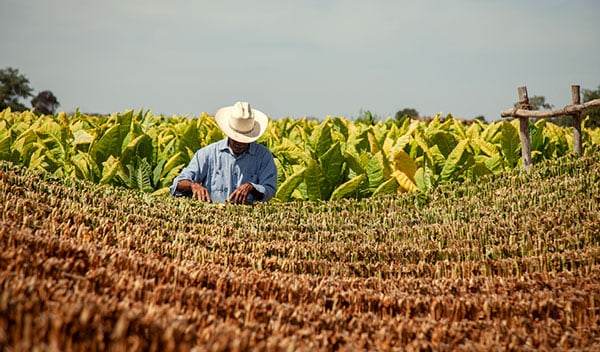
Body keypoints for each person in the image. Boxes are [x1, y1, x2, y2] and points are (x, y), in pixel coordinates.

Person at [170, 101, 277, 204]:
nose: (239, 143)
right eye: (236, 138)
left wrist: (252, 188)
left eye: (244, 139)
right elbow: (177, 183)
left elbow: (269, 189)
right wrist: (193, 185)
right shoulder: (207, 154)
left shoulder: (263, 156)